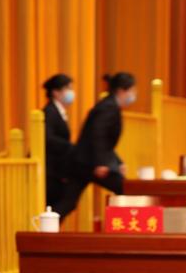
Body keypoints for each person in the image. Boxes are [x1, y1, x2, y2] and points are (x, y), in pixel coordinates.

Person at [51, 72, 137, 219]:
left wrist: (118, 162)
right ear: (122, 91)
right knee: (124, 188)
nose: (134, 94)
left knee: (68, 202)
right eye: (132, 90)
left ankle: (45, 227)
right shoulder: (108, 107)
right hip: (89, 163)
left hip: (83, 162)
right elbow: (98, 135)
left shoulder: (109, 105)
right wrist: (101, 163)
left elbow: (105, 143)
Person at [41, 74, 74, 209]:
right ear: (55, 92)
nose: (71, 92)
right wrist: (71, 147)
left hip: (56, 168)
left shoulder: (59, 111)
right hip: (50, 170)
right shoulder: (50, 111)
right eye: (68, 88)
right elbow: (48, 138)